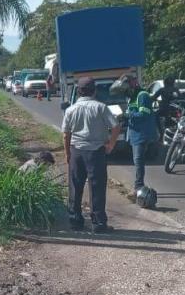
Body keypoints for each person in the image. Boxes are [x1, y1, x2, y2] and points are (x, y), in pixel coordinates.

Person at [62, 77, 121, 232]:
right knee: (97, 187)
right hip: (96, 152)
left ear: (79, 92)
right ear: (94, 91)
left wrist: (68, 154)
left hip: (77, 151)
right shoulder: (101, 108)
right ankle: (98, 223)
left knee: (75, 186)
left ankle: (75, 221)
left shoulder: (71, 110)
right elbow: (115, 127)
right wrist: (111, 145)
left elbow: (66, 135)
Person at [126, 87, 159, 195]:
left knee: (138, 160)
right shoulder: (132, 98)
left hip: (142, 133)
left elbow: (143, 114)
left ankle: (138, 186)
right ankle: (138, 185)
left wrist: (128, 115)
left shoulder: (142, 95)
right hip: (135, 133)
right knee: (137, 161)